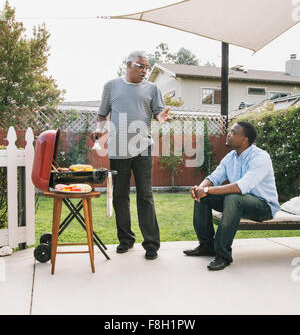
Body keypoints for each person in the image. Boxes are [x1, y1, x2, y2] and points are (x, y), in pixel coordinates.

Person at [94, 50, 171, 260]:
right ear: (128, 65)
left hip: (142, 147)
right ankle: (126, 240)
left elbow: (158, 111)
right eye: (141, 66)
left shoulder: (152, 88)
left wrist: (161, 116)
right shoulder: (111, 86)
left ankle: (152, 244)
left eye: (147, 67)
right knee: (120, 195)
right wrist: (100, 129)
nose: (145, 71)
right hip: (118, 148)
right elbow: (102, 113)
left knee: (145, 195)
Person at [184, 121, 281, 270]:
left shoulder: (260, 157)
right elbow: (214, 177)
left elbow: (240, 187)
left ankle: (223, 255)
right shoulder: (231, 157)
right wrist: (200, 189)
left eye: (234, 132)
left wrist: (207, 191)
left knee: (233, 197)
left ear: (245, 139)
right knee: (203, 197)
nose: (229, 134)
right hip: (238, 201)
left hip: (263, 207)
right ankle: (206, 246)